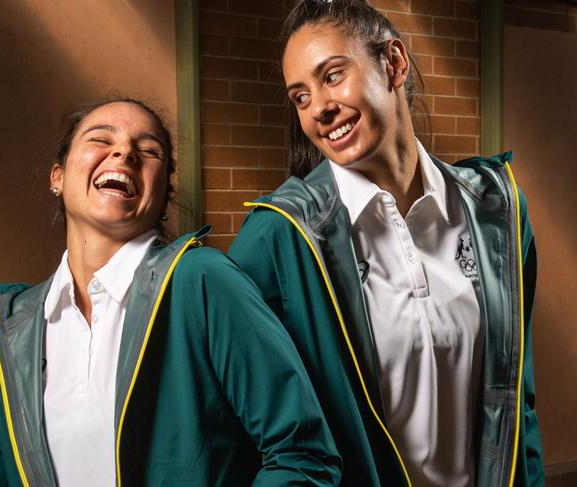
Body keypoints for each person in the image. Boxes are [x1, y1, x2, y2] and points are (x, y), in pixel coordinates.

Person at [228, 1, 543, 486]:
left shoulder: (496, 209)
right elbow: (250, 432)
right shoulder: (279, 237)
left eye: (332, 76)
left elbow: (516, 399)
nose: (319, 109)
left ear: (394, 62)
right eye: (300, 96)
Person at [0, 98, 342, 486]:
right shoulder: (1, 332)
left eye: (148, 150)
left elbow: (303, 453)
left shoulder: (203, 281)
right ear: (58, 175)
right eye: (101, 139)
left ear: (163, 194)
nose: (124, 152)